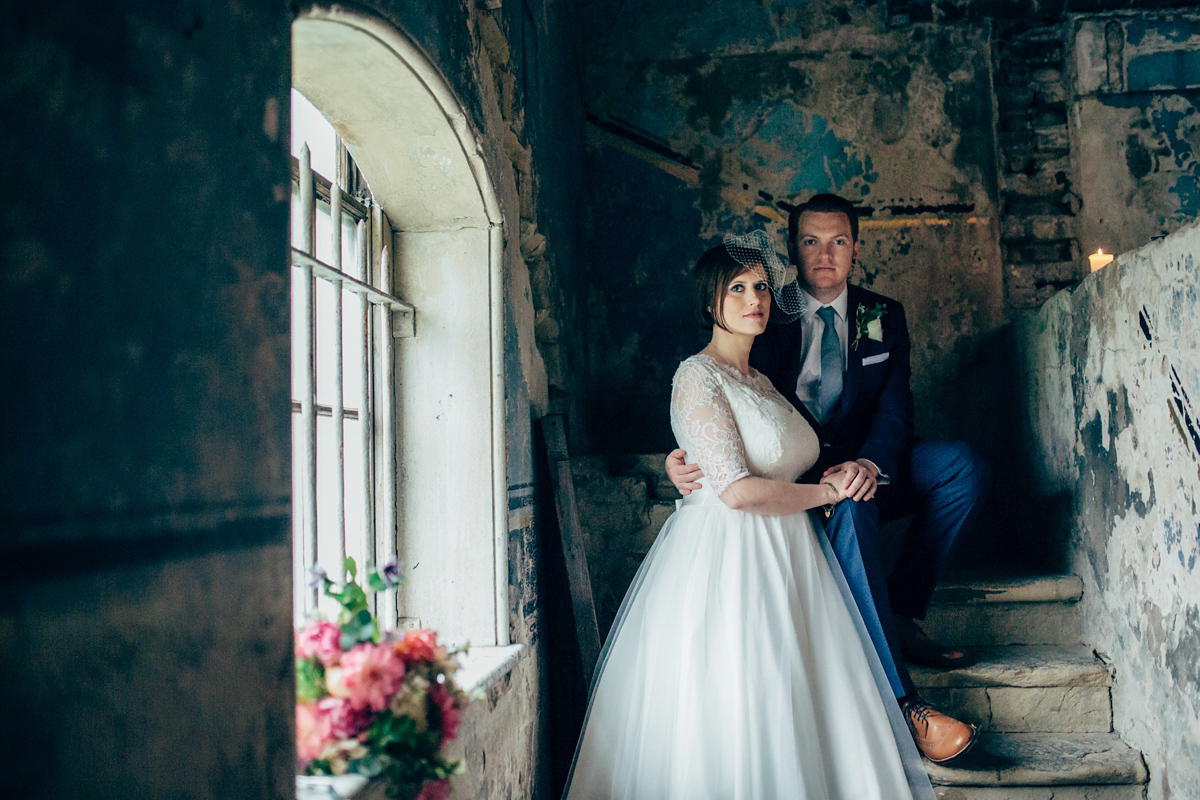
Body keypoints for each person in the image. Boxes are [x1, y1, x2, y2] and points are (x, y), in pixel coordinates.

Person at [562, 234, 935, 800]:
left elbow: (776, 458)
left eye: (761, 286)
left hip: (795, 554)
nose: (754, 298)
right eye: (736, 289)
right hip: (730, 555)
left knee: (803, 703)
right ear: (711, 304)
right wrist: (826, 496)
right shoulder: (697, 375)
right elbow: (734, 491)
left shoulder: (765, 381)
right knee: (743, 700)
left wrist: (829, 483)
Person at [667, 194, 989, 764]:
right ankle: (905, 705)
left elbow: (896, 410)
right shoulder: (768, 315)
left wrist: (869, 464)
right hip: (803, 476)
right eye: (811, 241)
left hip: (871, 460)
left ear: (855, 250)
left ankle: (904, 611)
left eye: (838, 241)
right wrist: (681, 455)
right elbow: (715, 386)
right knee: (852, 508)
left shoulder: (883, 314)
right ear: (794, 250)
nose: (825, 254)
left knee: (961, 465)